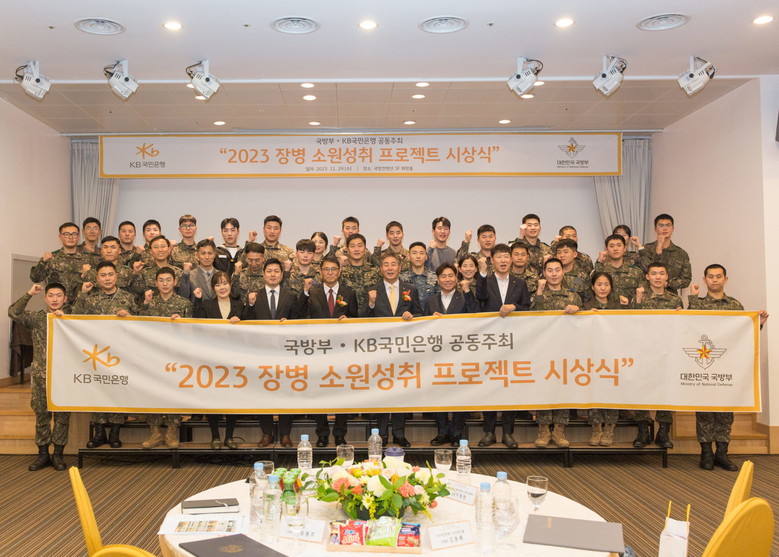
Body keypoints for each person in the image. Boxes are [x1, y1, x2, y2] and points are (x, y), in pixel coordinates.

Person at [688, 264, 770, 471]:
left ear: (726, 279)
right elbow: (688, 329)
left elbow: (743, 332)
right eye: (711, 276)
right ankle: (706, 453)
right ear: (705, 280)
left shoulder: (735, 305)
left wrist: (758, 323)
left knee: (726, 410)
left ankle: (722, 453)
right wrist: (691, 300)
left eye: (719, 276)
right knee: (704, 409)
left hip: (728, 364)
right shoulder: (698, 305)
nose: (715, 280)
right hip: (704, 364)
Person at [71, 261, 138, 448]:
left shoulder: (128, 298)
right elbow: (75, 317)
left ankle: (115, 433)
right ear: (97, 278)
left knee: (118, 390)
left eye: (110, 274)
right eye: (103, 275)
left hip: (121, 353)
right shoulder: (91, 298)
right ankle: (99, 433)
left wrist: (131, 317)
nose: (107, 278)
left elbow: (141, 323)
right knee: (98, 390)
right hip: (97, 353)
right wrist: (82, 294)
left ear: (117, 276)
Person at [362, 252, 423, 447]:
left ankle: (399, 433)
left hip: (403, 350)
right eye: (386, 264)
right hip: (379, 350)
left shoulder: (410, 289)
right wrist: (371, 303)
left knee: (400, 392)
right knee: (381, 391)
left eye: (393, 264)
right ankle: (380, 434)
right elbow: (361, 318)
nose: (390, 268)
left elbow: (420, 314)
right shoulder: (372, 290)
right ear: (381, 269)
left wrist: (412, 315)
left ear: (399, 267)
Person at [8, 283, 70, 471]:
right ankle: (43, 453)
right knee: (42, 414)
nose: (54, 299)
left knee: (62, 416)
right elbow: (13, 312)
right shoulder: (36, 318)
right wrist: (29, 293)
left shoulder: (72, 319)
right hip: (41, 375)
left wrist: (66, 319)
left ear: (65, 298)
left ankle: (58, 454)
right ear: (45, 298)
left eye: (58, 295)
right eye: (50, 295)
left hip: (63, 376)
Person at [474, 243, 531, 448]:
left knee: (510, 387)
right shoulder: (485, 281)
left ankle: (508, 432)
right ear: (492, 260)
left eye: (506, 257)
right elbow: (480, 297)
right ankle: (489, 432)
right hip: (490, 342)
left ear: (511, 259)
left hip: (513, 342)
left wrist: (514, 306)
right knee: (490, 386)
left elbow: (527, 308)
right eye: (499, 257)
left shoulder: (520, 283)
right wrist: (481, 273)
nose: (503, 260)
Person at [299, 256, 359, 446]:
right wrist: (304, 293)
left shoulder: (349, 293)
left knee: (342, 393)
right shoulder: (313, 293)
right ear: (321, 272)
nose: (330, 273)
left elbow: (357, 319)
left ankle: (340, 433)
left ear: (339, 271)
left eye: (334, 269)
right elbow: (301, 316)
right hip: (319, 351)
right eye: (326, 269)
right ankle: (322, 434)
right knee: (320, 391)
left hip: (342, 351)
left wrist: (350, 321)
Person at [242, 258, 302, 447]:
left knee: (286, 392)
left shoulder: (291, 296)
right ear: (263, 274)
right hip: (262, 353)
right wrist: (250, 305)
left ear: (282, 275)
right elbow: (246, 322)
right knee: (263, 392)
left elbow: (299, 321)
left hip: (285, 353)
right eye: (269, 271)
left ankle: (285, 434)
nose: (273, 274)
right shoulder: (254, 296)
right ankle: (266, 433)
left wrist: (290, 324)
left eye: (276, 271)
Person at [138, 268, 193, 448]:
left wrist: (181, 323)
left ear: (175, 282)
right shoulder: (149, 303)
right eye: (161, 280)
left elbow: (191, 331)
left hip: (175, 356)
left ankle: (171, 432)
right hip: (153, 355)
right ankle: (154, 433)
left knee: (173, 393)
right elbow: (139, 326)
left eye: (168, 280)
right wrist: (145, 304)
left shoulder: (184, 303)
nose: (165, 283)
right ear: (156, 283)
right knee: (152, 392)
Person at [630, 262, 682, 448]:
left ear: (667, 277)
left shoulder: (675, 300)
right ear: (647, 277)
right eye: (654, 273)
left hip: (667, 352)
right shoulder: (639, 297)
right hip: (643, 351)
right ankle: (643, 431)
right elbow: (631, 323)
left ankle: (663, 432)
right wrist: (637, 301)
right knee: (641, 390)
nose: (658, 277)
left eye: (661, 273)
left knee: (666, 390)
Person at [531, 258, 582, 447]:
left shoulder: (573, 296)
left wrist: (578, 310)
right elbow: (533, 316)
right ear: (544, 273)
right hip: (543, 349)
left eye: (557, 270)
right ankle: (544, 430)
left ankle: (559, 430)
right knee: (544, 388)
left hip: (567, 350)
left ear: (563, 272)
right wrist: (539, 292)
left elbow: (584, 323)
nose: (554, 274)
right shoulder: (537, 294)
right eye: (550, 270)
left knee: (563, 388)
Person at [424, 262, 476, 447]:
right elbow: (422, 328)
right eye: (443, 276)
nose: (447, 279)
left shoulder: (464, 297)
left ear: (456, 277)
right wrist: (430, 321)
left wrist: (467, 291)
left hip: (460, 355)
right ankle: (442, 431)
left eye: (450, 276)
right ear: (438, 280)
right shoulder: (430, 301)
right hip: (437, 356)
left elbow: (475, 315)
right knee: (439, 393)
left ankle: (456, 433)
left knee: (459, 393)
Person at [193, 271, 243, 449]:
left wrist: (241, 322)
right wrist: (197, 300)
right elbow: (196, 324)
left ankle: (229, 437)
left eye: (225, 283)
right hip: (212, 359)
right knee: (212, 398)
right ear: (213, 288)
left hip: (233, 359)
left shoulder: (239, 305)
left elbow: (250, 330)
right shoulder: (206, 305)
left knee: (232, 399)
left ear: (230, 285)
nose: (222, 287)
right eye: (217, 284)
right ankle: (215, 436)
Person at [582, 272, 625, 446]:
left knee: (611, 391)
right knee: (594, 391)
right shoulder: (586, 306)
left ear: (611, 287)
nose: (603, 288)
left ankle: (609, 430)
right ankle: (596, 429)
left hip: (612, 355)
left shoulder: (618, 307)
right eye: (599, 284)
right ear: (593, 287)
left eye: (606, 284)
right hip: (592, 356)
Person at [30, 222, 91, 302]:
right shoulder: (51, 258)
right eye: (66, 234)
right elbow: (36, 278)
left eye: (74, 234)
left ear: (78, 237)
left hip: (80, 304)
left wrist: (84, 276)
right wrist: (43, 262)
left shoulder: (88, 259)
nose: (70, 237)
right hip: (56, 304)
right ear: (60, 237)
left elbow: (95, 284)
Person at [638, 213, 691, 293]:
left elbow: (686, 279)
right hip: (648, 295)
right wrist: (659, 246)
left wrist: (668, 284)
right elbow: (643, 271)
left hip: (671, 297)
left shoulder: (681, 253)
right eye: (661, 225)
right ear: (655, 229)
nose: (665, 228)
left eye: (668, 225)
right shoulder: (646, 249)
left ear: (673, 228)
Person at [130, 235, 189, 300]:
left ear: (169, 249)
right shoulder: (144, 273)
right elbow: (137, 294)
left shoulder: (178, 272)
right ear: (151, 252)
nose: (160, 250)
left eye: (163, 246)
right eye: (156, 247)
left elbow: (184, 295)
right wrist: (135, 273)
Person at [339, 234, 381, 316]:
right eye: (352, 246)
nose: (356, 249)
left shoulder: (375, 271)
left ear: (365, 248)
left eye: (360, 246)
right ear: (347, 249)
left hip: (371, 316)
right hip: (347, 317)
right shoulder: (341, 272)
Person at [594, 234, 644, 301]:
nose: (615, 249)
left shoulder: (636, 272)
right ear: (606, 249)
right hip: (607, 307)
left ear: (624, 248)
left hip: (630, 307)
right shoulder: (601, 270)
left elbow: (642, 295)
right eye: (611, 246)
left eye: (619, 245)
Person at [400, 241, 439, 308]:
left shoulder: (435, 277)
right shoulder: (401, 278)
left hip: (431, 314)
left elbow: (439, 301)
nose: (418, 256)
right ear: (409, 256)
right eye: (414, 253)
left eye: (421, 253)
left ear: (426, 256)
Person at [555, 238, 591, 303]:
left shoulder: (582, 276)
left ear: (575, 254)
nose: (562, 255)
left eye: (566, 252)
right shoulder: (553, 275)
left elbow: (588, 300)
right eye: (559, 252)